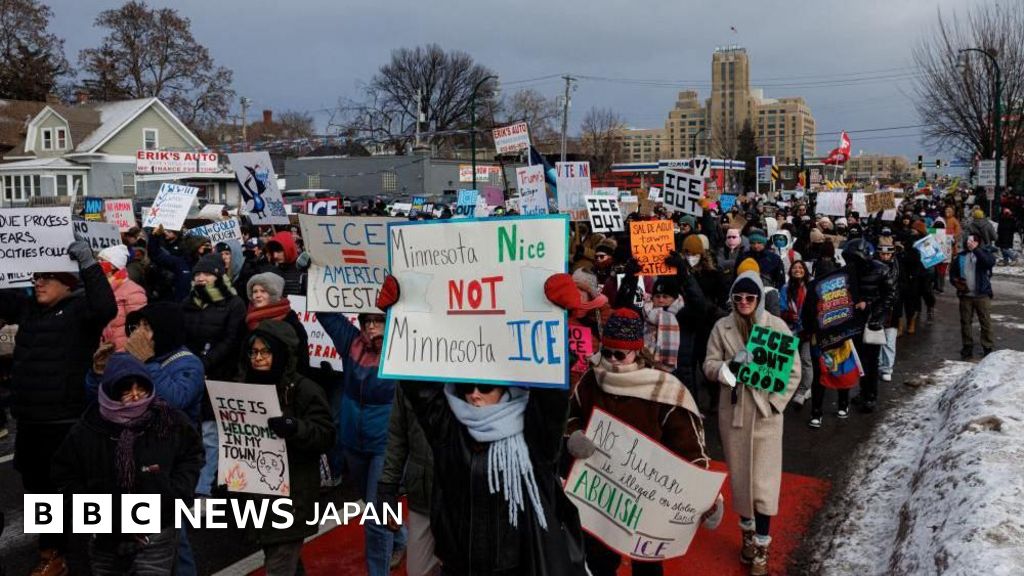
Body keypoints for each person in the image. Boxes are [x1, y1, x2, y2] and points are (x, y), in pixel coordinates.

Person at [567, 306, 722, 576]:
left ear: (637, 351)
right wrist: (574, 436)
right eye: (607, 352)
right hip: (600, 494)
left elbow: (691, 449)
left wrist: (708, 497)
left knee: (647, 568)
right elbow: (571, 415)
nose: (613, 361)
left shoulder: (664, 390)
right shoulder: (591, 379)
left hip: (647, 497)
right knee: (598, 561)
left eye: (620, 354)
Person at [0, 239, 117, 576]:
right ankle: (51, 552)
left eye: (46, 277)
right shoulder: (29, 310)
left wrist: (89, 264)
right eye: (35, 277)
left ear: (66, 284)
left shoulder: (82, 311)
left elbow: (105, 307)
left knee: (71, 493)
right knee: (37, 491)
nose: (37, 282)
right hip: (31, 421)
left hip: (66, 420)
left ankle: (85, 553)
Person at [52, 353, 203, 576]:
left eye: (140, 388)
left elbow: (191, 454)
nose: (135, 396)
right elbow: (65, 474)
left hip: (157, 529)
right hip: (105, 535)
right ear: (111, 390)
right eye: (126, 389)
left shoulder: (169, 420)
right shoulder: (88, 429)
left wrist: (176, 493)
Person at [703, 271, 800, 576]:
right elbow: (708, 365)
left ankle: (761, 546)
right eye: (738, 297)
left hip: (765, 414)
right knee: (741, 481)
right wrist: (730, 367)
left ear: (759, 298)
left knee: (764, 485)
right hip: (734, 414)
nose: (743, 302)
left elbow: (794, 371)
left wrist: (774, 404)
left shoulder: (777, 326)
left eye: (750, 298)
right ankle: (747, 534)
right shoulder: (722, 326)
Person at [318, 284, 406, 575]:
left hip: (384, 445)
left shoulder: (404, 352)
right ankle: (401, 536)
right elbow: (326, 312)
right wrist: (314, 274)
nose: (371, 328)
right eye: (367, 321)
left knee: (374, 516)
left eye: (378, 321)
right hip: (352, 442)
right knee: (375, 506)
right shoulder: (351, 343)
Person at [243, 321, 335, 576]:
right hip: (259, 494)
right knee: (281, 559)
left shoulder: (304, 389)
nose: (258, 358)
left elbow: (326, 435)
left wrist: (295, 428)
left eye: (265, 352)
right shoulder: (246, 386)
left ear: (281, 353)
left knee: (279, 565)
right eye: (254, 352)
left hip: (294, 494)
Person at [377, 384, 441, 576]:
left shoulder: (479, 380)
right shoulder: (408, 374)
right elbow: (397, 435)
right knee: (417, 571)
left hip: (468, 500)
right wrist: (387, 486)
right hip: (423, 495)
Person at [245, 273, 310, 375]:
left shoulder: (291, 322)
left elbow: (301, 359)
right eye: (254, 291)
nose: (257, 295)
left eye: (263, 291)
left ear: (274, 294)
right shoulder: (249, 318)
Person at [950, 233, 997, 359]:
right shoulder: (960, 257)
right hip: (965, 295)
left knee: (985, 321)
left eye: (973, 241)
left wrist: (976, 250)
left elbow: (988, 263)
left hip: (982, 295)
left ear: (978, 242)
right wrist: (956, 282)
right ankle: (967, 346)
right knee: (965, 322)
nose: (969, 243)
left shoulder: (985, 254)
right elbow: (952, 274)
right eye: (968, 241)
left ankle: (987, 346)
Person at [97, 244, 148, 351]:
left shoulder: (133, 291)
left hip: (122, 352)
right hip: (102, 351)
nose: (98, 264)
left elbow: (138, 328)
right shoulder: (99, 288)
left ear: (113, 265)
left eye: (102, 260)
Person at [779, 260, 812, 406]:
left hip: (807, 329)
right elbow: (781, 307)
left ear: (805, 270)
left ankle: (803, 390)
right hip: (790, 328)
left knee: (806, 360)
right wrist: (787, 315)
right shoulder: (785, 288)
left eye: (800, 267)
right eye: (794, 267)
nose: (797, 270)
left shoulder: (811, 288)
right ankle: (784, 388)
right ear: (790, 271)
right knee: (787, 359)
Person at [875, 238, 902, 383]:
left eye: (888, 254)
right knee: (875, 339)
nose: (885, 257)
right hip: (877, 308)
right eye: (882, 254)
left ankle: (887, 367)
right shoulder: (873, 267)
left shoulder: (898, 267)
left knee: (889, 340)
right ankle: (878, 364)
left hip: (892, 308)